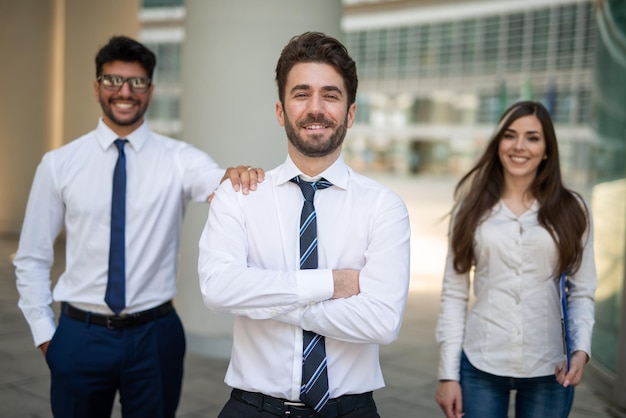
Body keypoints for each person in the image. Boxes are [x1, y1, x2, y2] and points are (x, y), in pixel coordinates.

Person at [14, 35, 263, 418]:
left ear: (150, 90)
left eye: (137, 82)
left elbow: (216, 180)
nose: (125, 91)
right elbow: (31, 256)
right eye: (113, 80)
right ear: (97, 86)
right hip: (79, 335)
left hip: (155, 336)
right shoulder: (59, 164)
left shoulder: (180, 159)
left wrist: (235, 178)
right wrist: (46, 335)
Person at [197, 31, 411, 418]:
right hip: (252, 408)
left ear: (350, 113)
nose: (316, 108)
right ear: (281, 111)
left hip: (350, 411)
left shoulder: (384, 207)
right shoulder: (239, 196)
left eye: (330, 95)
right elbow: (217, 290)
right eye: (301, 94)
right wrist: (332, 284)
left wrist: (263, 300)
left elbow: (381, 322)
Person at [435, 100, 597, 418]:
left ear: (547, 149)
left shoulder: (572, 210)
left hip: (550, 366)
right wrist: (447, 374)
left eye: (533, 137)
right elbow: (453, 294)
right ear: (498, 144)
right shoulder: (472, 210)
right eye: (510, 135)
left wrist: (581, 350)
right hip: (481, 361)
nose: (519, 146)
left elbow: (581, 291)